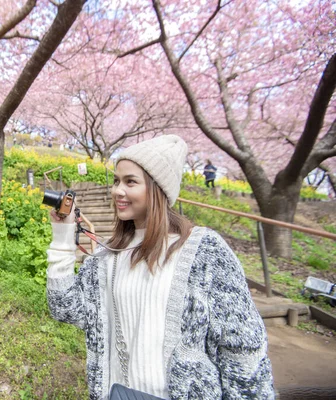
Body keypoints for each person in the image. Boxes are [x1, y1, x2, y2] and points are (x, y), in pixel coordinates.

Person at [46, 135, 274, 400]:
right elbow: (64, 307)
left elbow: (243, 349)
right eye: (116, 181)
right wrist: (63, 235)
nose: (118, 190)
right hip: (119, 394)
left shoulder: (204, 250)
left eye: (130, 181)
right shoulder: (109, 254)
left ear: (158, 188)